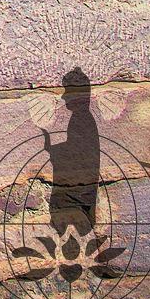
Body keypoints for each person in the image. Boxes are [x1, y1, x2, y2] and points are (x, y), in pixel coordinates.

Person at [42, 67, 100, 236]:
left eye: (67, 91)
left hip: (80, 188)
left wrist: (54, 150)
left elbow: (82, 153)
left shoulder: (82, 118)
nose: (63, 96)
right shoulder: (80, 118)